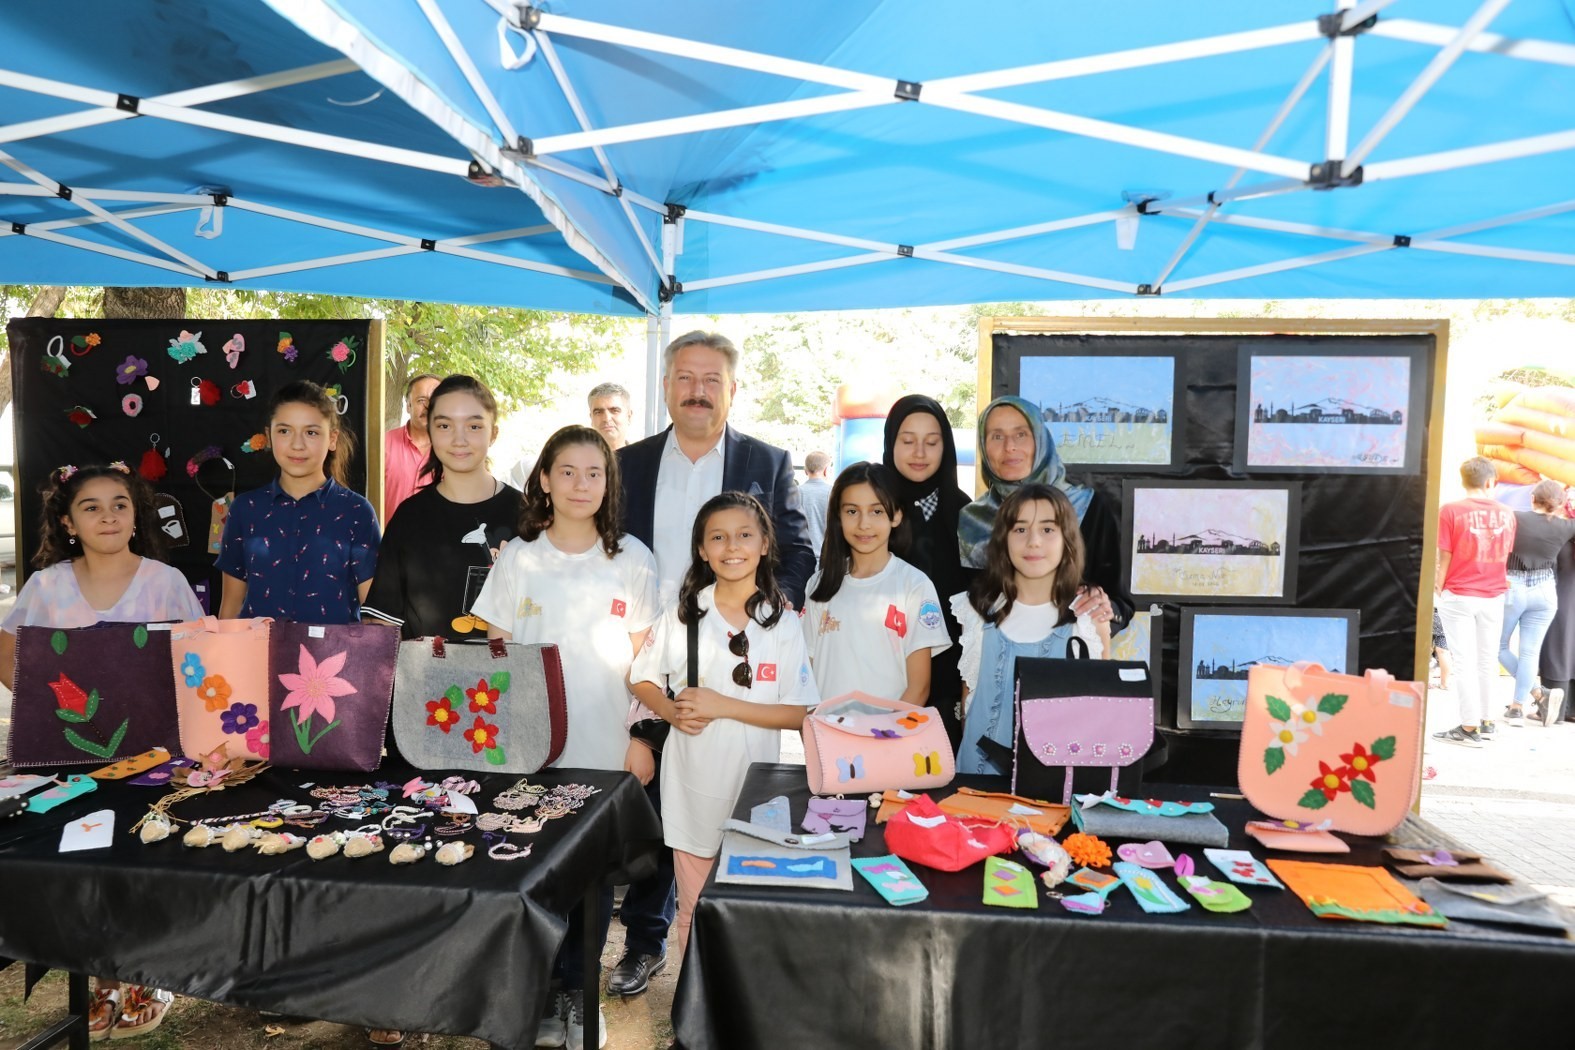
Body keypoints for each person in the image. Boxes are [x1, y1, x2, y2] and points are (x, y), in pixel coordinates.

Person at [610, 330, 814, 995]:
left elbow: (799, 547)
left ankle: (736, 973)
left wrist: (760, 610)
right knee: (658, 812)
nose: (697, 391)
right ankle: (646, 945)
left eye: (712, 379)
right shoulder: (628, 463)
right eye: (685, 378)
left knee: (730, 817)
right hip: (654, 653)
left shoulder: (768, 460)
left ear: (731, 388)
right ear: (666, 386)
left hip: (736, 661)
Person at [1, 463, 202, 1041]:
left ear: (136, 514)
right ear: (68, 522)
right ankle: (99, 978)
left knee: (140, 858)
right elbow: (10, 647)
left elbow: (197, 660)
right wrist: (46, 709)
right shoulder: (46, 586)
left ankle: (145, 974)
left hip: (154, 758)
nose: (108, 515)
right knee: (82, 863)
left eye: (120, 503)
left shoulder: (166, 581)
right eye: (91, 507)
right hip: (73, 760)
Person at [472, 425, 657, 1050]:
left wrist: (643, 740)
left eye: (595, 473)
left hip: (605, 747)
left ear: (610, 484)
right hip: (528, 752)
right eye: (568, 471)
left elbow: (648, 666)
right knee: (532, 875)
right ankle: (541, 994)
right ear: (544, 479)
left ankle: (582, 995)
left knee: (593, 881)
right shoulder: (520, 556)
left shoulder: (632, 557)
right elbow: (493, 657)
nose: (582, 484)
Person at [628, 492, 819, 954]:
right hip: (692, 783)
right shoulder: (684, 613)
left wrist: (721, 704)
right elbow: (641, 678)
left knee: (747, 899)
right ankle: (696, 1016)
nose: (731, 546)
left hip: (757, 788)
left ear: (764, 544)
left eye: (744, 535)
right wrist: (672, 711)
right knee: (693, 906)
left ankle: (738, 1006)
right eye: (718, 537)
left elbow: (798, 713)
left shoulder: (783, 623)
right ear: (701, 549)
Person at [952, 483, 1107, 775]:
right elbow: (969, 701)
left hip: (1055, 790)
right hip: (976, 784)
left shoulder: (1088, 617)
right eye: (1020, 529)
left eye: (1048, 529)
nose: (1033, 541)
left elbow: (1098, 716)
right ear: (1003, 539)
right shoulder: (975, 611)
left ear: (1067, 539)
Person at [364, 375, 521, 641]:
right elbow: (381, 623)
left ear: (493, 433)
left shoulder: (527, 514)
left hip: (508, 678)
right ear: (431, 431)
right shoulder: (410, 516)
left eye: (473, 426)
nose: (459, 439)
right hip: (424, 680)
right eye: (445, 425)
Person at [959, 394, 1128, 632]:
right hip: (993, 657)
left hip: (1066, 659)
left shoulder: (1087, 508)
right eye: (997, 436)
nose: (1010, 447)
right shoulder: (970, 521)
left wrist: (1105, 608)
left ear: (1040, 439)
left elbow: (1121, 604)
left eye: (1021, 434)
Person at [218, 380, 380, 623]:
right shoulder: (245, 509)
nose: (297, 444)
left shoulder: (356, 511)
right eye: (284, 431)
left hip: (335, 658)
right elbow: (230, 606)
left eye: (311, 432)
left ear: (332, 439)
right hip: (257, 656)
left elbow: (372, 609)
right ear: (268, 437)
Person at [802, 462, 950, 701]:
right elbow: (806, 672)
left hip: (888, 733)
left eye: (877, 511)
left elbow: (919, 688)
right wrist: (812, 731)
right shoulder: (818, 585)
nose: (864, 524)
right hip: (827, 733)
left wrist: (884, 735)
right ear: (838, 516)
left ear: (897, 515)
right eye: (852, 511)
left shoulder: (914, 586)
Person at [882, 394, 973, 749]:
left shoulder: (968, 515)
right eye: (908, 441)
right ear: (891, 443)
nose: (919, 452)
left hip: (949, 675)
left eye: (931, 442)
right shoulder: (873, 510)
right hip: (882, 669)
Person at [1432, 456, 1517, 747]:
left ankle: (1468, 727)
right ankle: (1487, 721)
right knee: (1486, 660)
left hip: (1459, 593)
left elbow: (1444, 555)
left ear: (1463, 479)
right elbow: (1504, 554)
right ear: (1491, 481)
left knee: (1464, 662)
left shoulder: (1450, 511)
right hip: (1494, 594)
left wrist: (1439, 588)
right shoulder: (1508, 514)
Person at [1499, 479, 1575, 726]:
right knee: (1530, 652)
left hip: (1515, 585)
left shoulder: (1515, 518)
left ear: (1532, 498)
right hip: (1545, 592)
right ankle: (1517, 707)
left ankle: (1538, 694)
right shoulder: (1565, 527)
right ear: (1560, 504)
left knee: (1497, 645)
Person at [383, 373, 440, 520]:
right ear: (408, 406)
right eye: (421, 400)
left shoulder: (455, 451)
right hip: (389, 541)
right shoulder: (382, 445)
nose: (428, 406)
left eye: (434, 400)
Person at [799, 450, 832, 562]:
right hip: (827, 559)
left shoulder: (795, 492)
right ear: (826, 470)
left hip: (801, 558)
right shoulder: (833, 493)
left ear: (805, 471)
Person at [588, 381, 634, 450]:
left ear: (629, 416)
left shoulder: (646, 459)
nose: (606, 418)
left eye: (615, 411)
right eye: (598, 412)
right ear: (591, 418)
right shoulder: (578, 460)